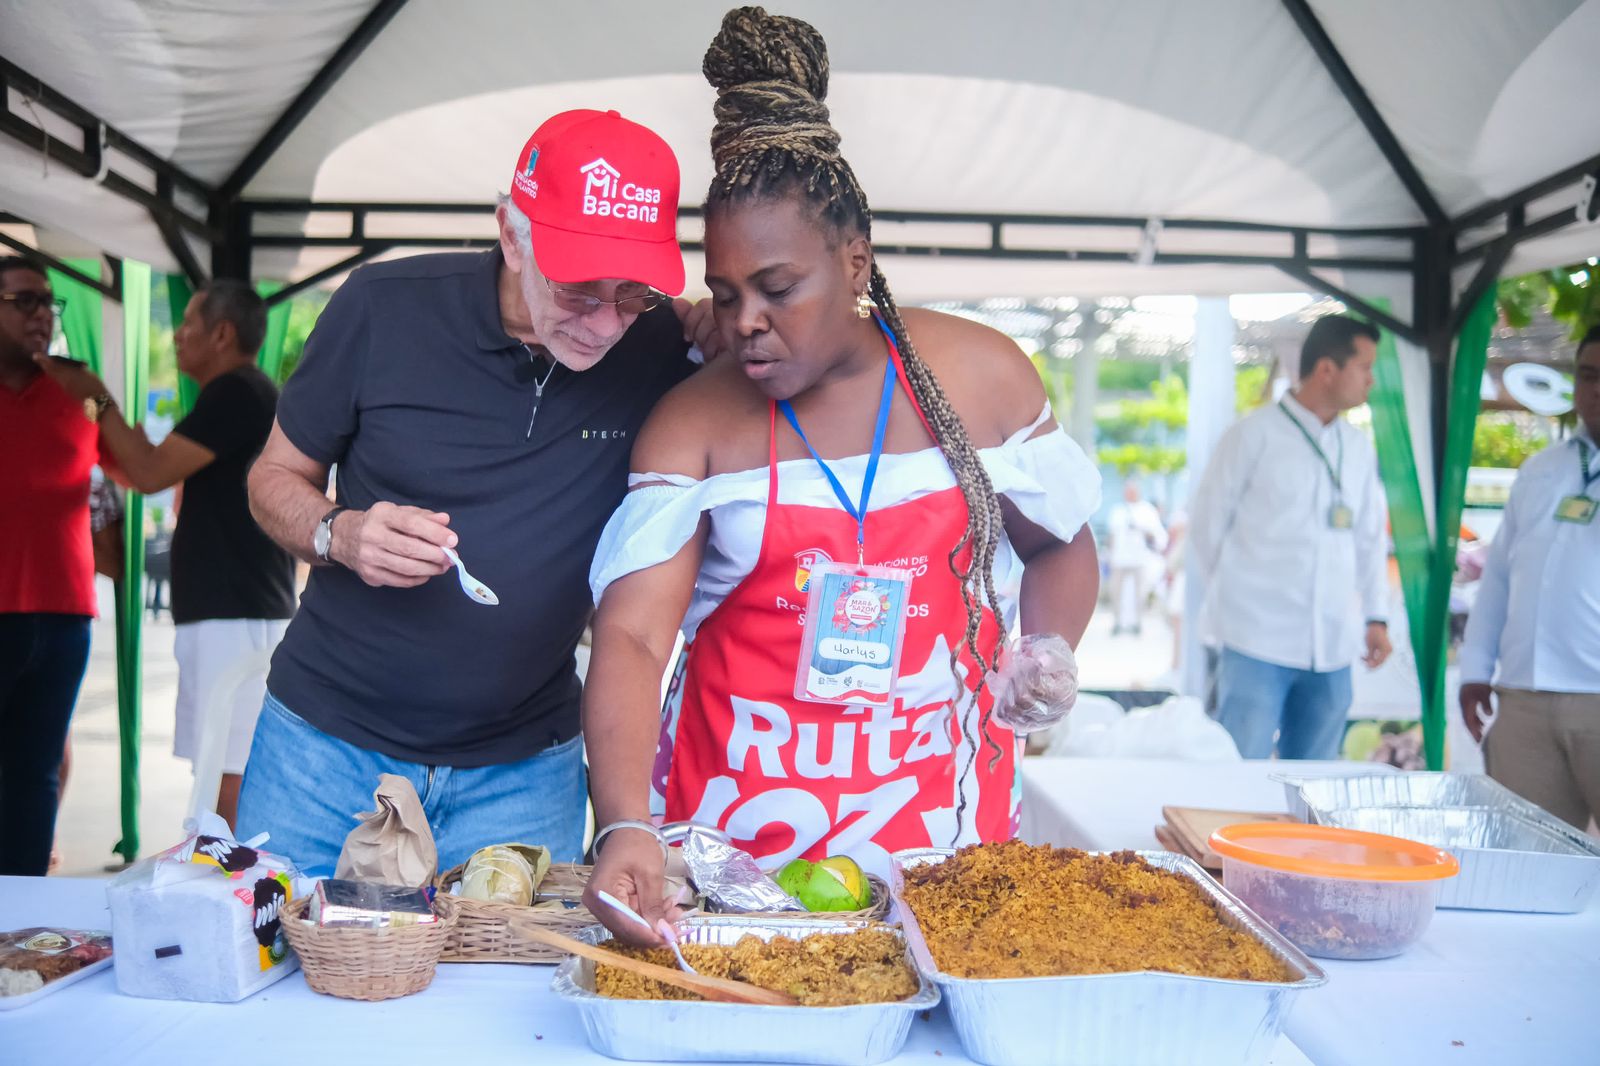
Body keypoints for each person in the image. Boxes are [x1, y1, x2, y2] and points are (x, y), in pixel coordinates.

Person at [581, 7, 1102, 942]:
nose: (745, 321)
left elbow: (1060, 547)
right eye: (727, 292)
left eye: (779, 289)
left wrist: (1050, 649)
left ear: (854, 260)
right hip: (731, 852)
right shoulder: (695, 424)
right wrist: (624, 820)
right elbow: (628, 641)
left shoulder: (979, 379)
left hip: (944, 838)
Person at [237, 109, 697, 875]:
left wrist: (715, 323)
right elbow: (271, 479)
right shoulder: (383, 307)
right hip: (324, 751)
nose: (606, 323)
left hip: (525, 773)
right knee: (276, 965)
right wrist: (339, 533)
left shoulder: (657, 346)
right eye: (581, 288)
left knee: (506, 992)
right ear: (512, 237)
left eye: (634, 293)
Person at [36, 281, 297, 829]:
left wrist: (92, 394)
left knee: (228, 771)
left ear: (222, 334)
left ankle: (231, 889)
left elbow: (148, 470)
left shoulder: (237, 393)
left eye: (187, 323)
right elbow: (139, 470)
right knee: (217, 765)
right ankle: (223, 879)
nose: (176, 335)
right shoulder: (237, 394)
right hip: (231, 612)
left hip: (236, 614)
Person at [1190, 315, 1392, 759]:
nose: (1371, 381)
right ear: (1327, 370)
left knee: (1311, 788)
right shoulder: (1251, 435)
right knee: (1239, 778)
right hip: (1256, 640)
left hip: (1333, 646)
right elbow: (1206, 528)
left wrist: (1377, 616)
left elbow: (1370, 539)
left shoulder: (1357, 448)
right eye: (1365, 368)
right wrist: (1232, 604)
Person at [1458, 328, 1600, 829]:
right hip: (1524, 703)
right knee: (1528, 862)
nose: (1597, 388)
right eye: (1588, 375)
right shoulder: (1542, 469)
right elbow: (1498, 576)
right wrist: (1476, 667)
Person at [0, 256, 102, 876]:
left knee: (34, 772)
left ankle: (19, 927)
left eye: (50, 303)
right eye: (26, 302)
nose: (43, 315)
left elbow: (140, 469)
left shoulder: (80, 393)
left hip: (64, 616)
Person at [1105, 480, 1167, 635]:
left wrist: (1142, 530)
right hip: (1119, 558)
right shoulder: (1117, 511)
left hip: (1139, 558)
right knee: (1116, 592)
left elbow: (1156, 534)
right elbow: (1111, 535)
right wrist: (1109, 554)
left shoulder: (1147, 511)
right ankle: (1117, 622)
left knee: (1140, 593)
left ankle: (1137, 623)